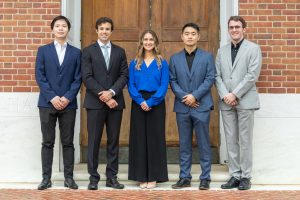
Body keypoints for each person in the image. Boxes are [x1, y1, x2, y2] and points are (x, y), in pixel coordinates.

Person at [215, 16, 262, 190]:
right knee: (230, 140)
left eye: (237, 27)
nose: (234, 30)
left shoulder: (253, 49)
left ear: (244, 29)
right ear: (228, 30)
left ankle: (246, 176)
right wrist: (225, 95)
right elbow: (217, 75)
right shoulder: (222, 50)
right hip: (226, 102)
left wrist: (234, 94)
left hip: (245, 101)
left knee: (245, 140)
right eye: (231, 27)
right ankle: (234, 175)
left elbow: (252, 75)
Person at [81, 17, 128, 190]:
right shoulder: (87, 51)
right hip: (95, 103)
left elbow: (124, 75)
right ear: (96, 31)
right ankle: (93, 178)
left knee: (113, 141)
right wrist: (104, 95)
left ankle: (112, 177)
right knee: (93, 141)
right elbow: (86, 76)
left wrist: (112, 93)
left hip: (116, 103)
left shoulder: (120, 51)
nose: (104, 32)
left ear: (111, 31)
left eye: (107, 29)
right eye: (101, 29)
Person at [35, 15, 81, 190]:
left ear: (68, 29)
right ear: (52, 29)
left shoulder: (76, 52)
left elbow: (78, 79)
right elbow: (40, 76)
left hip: (68, 105)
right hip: (47, 103)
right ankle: (46, 178)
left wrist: (67, 97)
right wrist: (52, 97)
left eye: (64, 26)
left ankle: (69, 178)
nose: (61, 28)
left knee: (68, 142)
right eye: (57, 26)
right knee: (47, 142)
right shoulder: (43, 50)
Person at [169, 23, 215, 190]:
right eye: (186, 33)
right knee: (184, 144)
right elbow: (172, 81)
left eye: (193, 33)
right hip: (182, 107)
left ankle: (205, 178)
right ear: (182, 37)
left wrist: (194, 96)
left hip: (201, 106)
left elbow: (210, 79)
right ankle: (184, 177)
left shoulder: (207, 56)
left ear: (198, 36)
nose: (189, 36)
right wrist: (184, 97)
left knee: (203, 143)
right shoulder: (174, 58)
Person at [128, 30, 169, 189]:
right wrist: (140, 101)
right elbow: (130, 85)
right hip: (138, 103)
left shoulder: (161, 62)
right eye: (145, 39)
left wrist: (151, 101)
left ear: (155, 42)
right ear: (141, 42)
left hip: (156, 103)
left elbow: (164, 85)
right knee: (139, 139)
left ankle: (154, 176)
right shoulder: (134, 62)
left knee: (155, 139)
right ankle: (140, 176)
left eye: (151, 39)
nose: (148, 42)